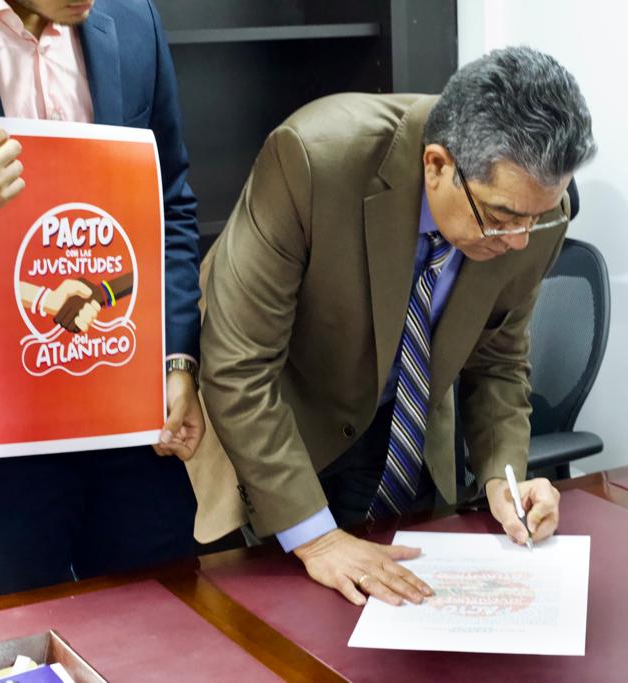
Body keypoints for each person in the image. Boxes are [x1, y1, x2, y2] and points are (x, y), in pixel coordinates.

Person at [200, 46, 596, 606]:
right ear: (436, 165)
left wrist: (504, 478)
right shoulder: (313, 160)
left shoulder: (534, 211)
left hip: (403, 427)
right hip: (281, 425)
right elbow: (238, 367)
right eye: (502, 218)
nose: (519, 242)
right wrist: (316, 538)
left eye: (537, 217)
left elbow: (499, 359)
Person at [0, 0, 204, 601]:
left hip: (126, 413)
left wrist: (177, 361)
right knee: (23, 642)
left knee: (167, 624)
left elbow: (170, 204)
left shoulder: (134, 20)